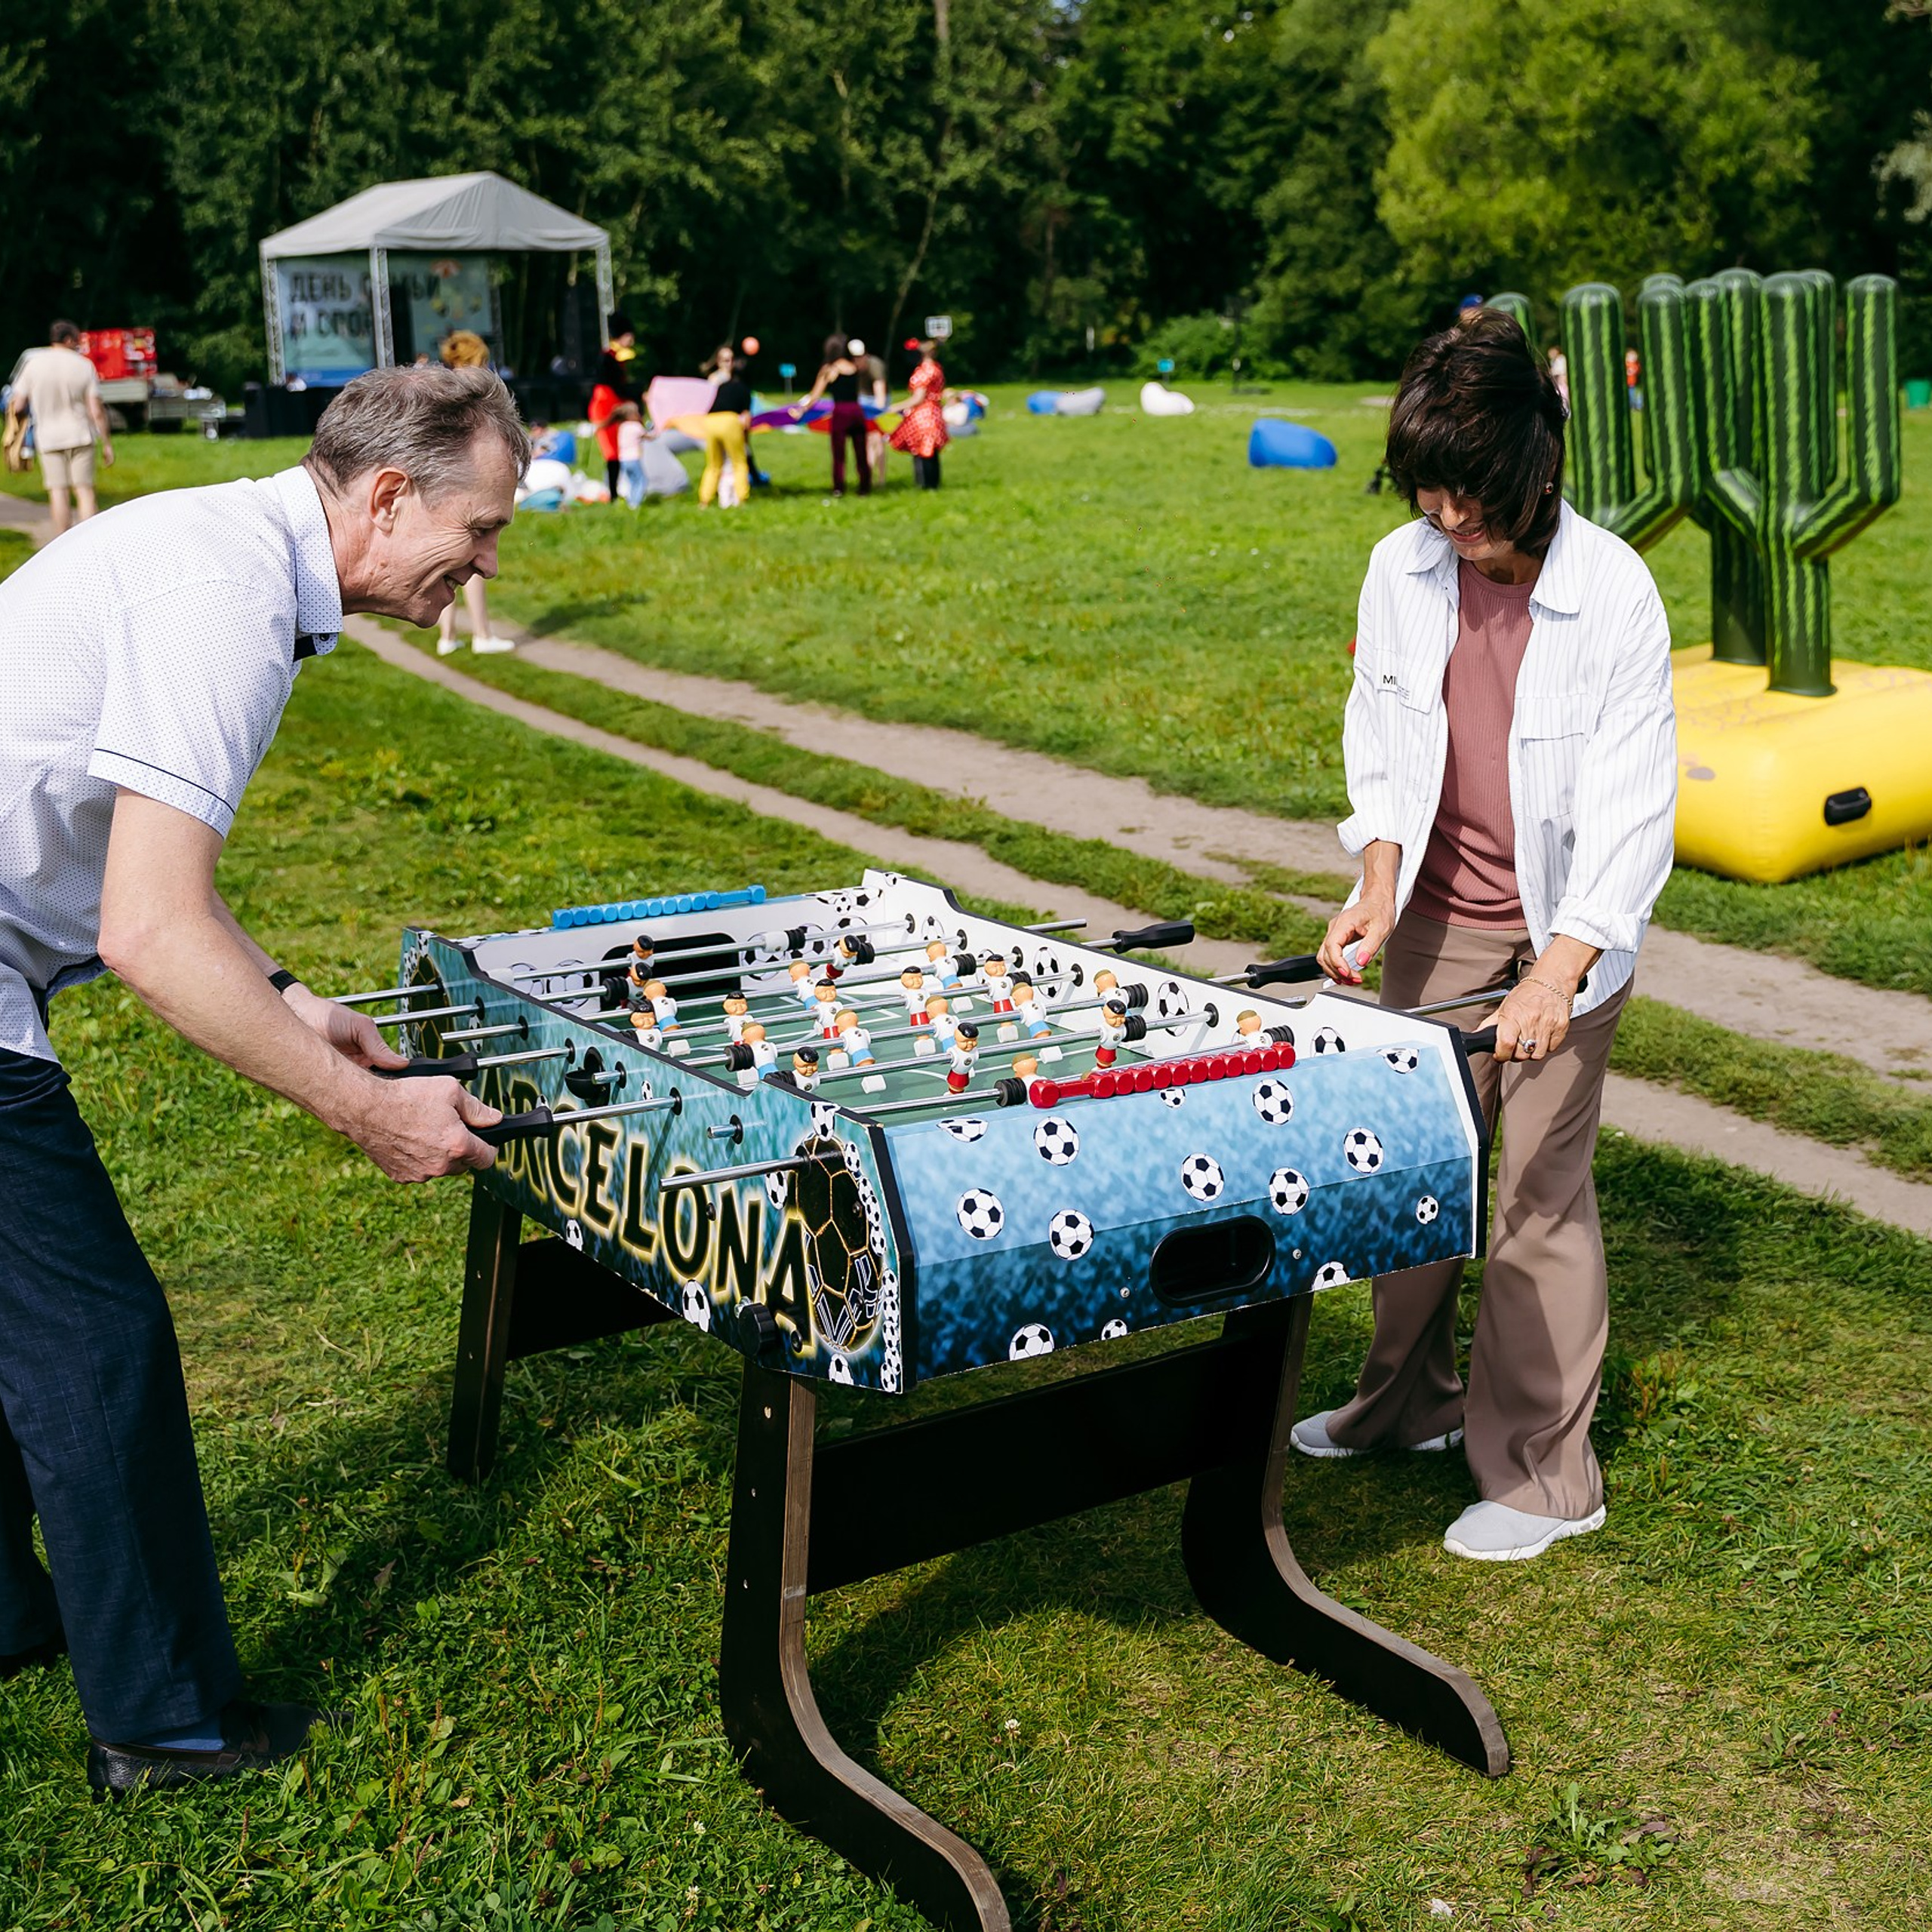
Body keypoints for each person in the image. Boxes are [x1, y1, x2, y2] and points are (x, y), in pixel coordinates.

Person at [0, 364, 521, 1790]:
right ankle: (165, 1726)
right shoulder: (224, 595)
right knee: (94, 1345)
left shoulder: (227, 551)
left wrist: (295, 1000)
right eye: (477, 533)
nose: (482, 566)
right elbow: (149, 930)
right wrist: (366, 1112)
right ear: (388, 494)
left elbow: (136, 866)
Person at [1299, 307, 1676, 1564]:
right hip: (1439, 916)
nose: (1452, 524)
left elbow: (1635, 815)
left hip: (1572, 923)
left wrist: (1557, 973)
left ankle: (1544, 1478)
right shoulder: (1400, 566)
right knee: (1409, 1170)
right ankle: (1405, 1403)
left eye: (1474, 498)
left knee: (1533, 1196)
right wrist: (1374, 882)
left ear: (1537, 465)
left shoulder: (1613, 592)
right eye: (1432, 495)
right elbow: (1385, 736)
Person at [435, 331, 513, 655]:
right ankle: (482, 635)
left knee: (445, 563)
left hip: (441, 486)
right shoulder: (475, 396)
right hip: (468, 486)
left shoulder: (438, 392)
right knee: (476, 561)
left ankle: (447, 636)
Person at [6, 321, 113, 537]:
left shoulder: (33, 364)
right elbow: (96, 411)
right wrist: (107, 443)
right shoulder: (84, 365)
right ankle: (91, 540)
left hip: (48, 437)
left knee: (58, 491)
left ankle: (61, 542)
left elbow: (17, 405)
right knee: (84, 490)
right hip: (80, 435)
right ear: (69, 340)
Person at [669, 346, 752, 509]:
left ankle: (704, 501)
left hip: (710, 422)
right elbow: (747, 416)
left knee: (714, 464)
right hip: (730, 421)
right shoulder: (738, 386)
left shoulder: (715, 385)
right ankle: (742, 498)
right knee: (739, 463)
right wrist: (746, 439)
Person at [794, 334, 869, 497]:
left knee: (839, 454)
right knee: (861, 451)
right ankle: (864, 487)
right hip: (857, 411)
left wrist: (802, 409)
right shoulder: (855, 367)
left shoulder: (830, 369)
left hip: (841, 412)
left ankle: (839, 488)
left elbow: (815, 396)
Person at [588, 316, 639, 501]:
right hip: (606, 406)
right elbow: (613, 384)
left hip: (615, 403)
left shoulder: (619, 356)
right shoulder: (608, 357)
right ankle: (613, 494)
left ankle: (618, 491)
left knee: (618, 449)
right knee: (612, 452)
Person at [889, 336, 949, 491]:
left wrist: (895, 407)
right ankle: (933, 484)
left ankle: (926, 485)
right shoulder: (936, 368)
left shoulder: (925, 372)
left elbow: (918, 398)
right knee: (931, 451)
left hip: (924, 415)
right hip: (934, 413)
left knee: (923, 451)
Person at [612, 402, 651, 509]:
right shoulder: (635, 426)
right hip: (634, 458)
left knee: (632, 481)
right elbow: (649, 436)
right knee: (641, 480)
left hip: (623, 459)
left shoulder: (622, 426)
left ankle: (631, 501)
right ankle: (635, 504)